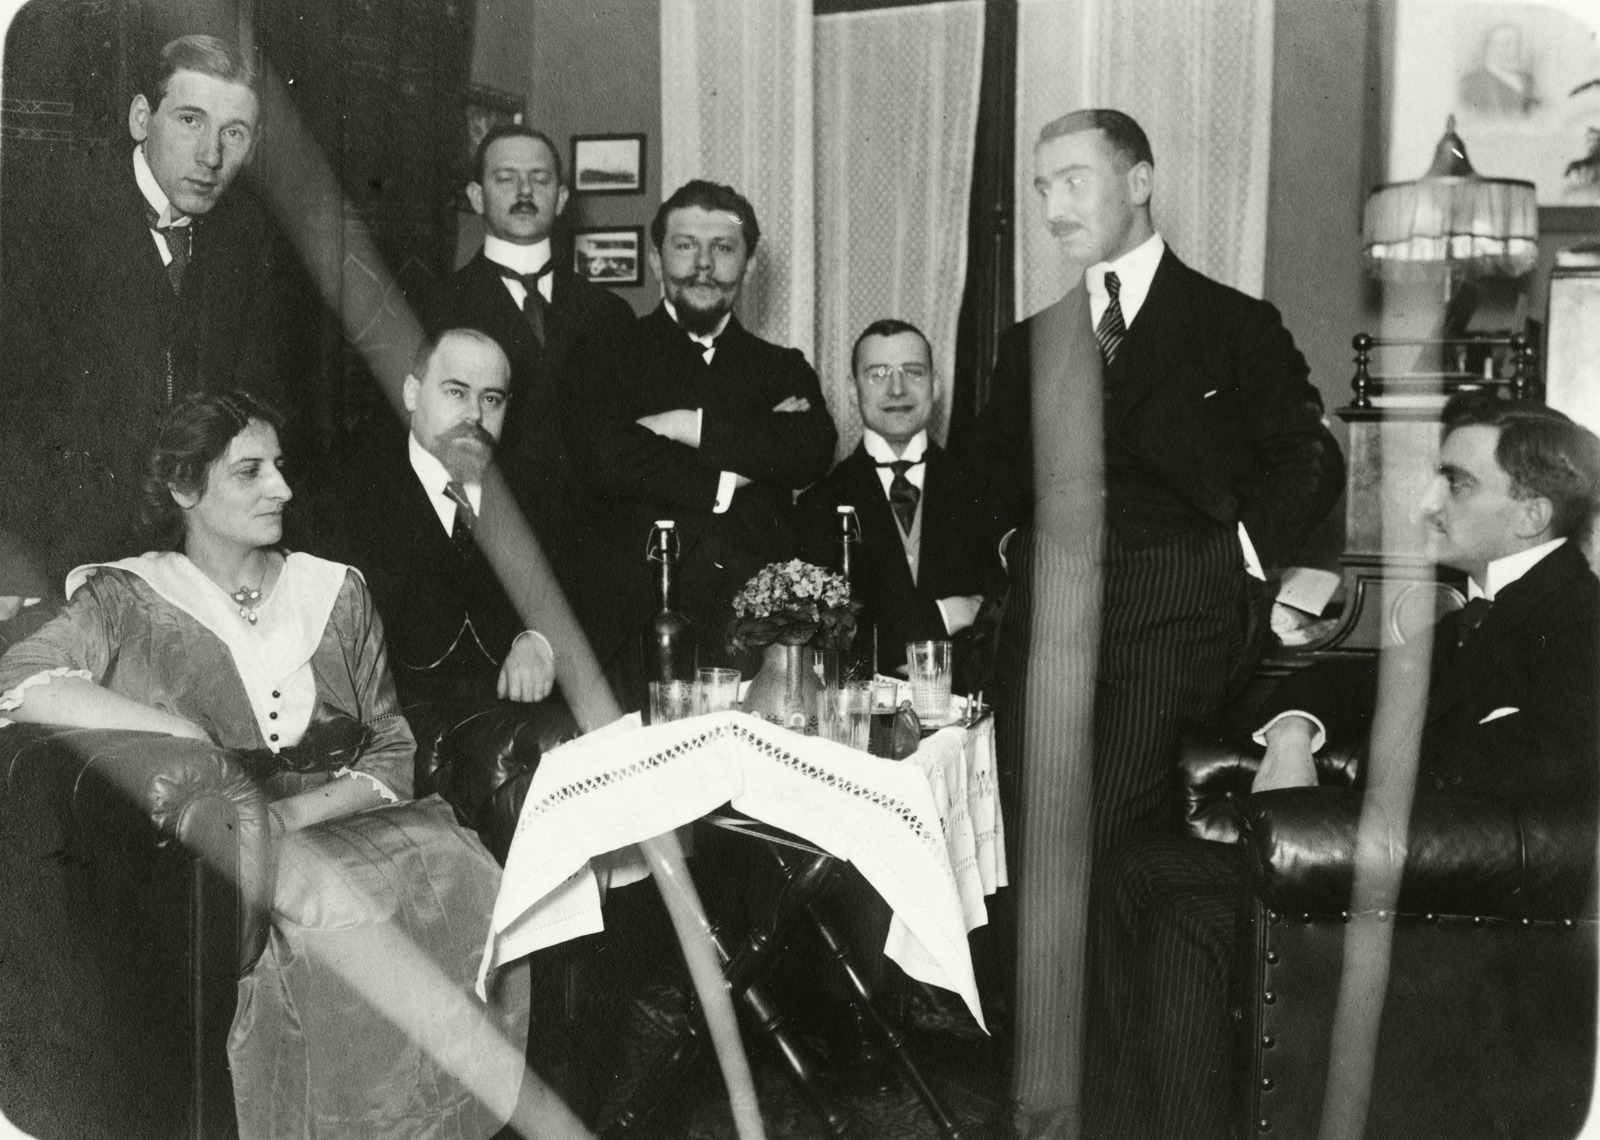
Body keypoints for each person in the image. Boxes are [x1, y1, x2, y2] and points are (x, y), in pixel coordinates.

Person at [0, 391, 533, 1140]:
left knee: (462, 873)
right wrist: (175, 728)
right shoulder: (125, 596)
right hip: (228, 861)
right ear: (185, 487)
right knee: (323, 928)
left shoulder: (335, 591)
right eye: (249, 472)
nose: (281, 487)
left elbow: (393, 747)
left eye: (279, 467)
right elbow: (21, 677)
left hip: (350, 825)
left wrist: (289, 813)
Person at [1082, 394, 1600, 1139]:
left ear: (1532, 515)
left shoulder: (1580, 624)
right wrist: (1294, 732)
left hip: (1453, 908)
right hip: (1391, 866)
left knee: (1183, 913)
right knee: (1133, 871)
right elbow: (1345, 683)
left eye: (1457, 483)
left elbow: (1544, 772)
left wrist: (1346, 801)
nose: (1428, 502)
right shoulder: (1486, 611)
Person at [965, 108, 1344, 853]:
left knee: (1107, 840)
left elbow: (1311, 456)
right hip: (1046, 618)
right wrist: (1020, 551)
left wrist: (1235, 560)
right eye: (1043, 188)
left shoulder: (1234, 324)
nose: (1053, 209)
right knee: (1027, 845)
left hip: (1176, 615)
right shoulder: (1028, 343)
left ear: (1139, 182)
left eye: (1074, 182)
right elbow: (987, 479)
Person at [0, 34, 286, 596]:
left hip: (190, 558)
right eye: (189, 120)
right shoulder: (47, 214)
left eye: (234, 132)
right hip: (55, 555)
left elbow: (252, 404)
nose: (211, 156)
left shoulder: (248, 237)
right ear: (140, 118)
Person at [568, 179, 837, 689]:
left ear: (749, 266)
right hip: (637, 627)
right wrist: (741, 470)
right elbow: (608, 456)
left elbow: (811, 448)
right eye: (686, 245)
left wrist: (682, 426)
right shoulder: (607, 353)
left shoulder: (781, 366)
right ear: (656, 260)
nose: (704, 265)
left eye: (724, 248)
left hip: (756, 633)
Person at [297, 328, 557, 713]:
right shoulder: (344, 498)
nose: (475, 414)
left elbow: (579, 589)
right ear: (411, 394)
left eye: (491, 399)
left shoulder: (535, 489)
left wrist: (540, 640)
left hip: (522, 724)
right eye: (456, 392)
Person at [421, 124, 635, 572]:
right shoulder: (435, 307)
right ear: (476, 196)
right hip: (481, 557)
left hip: (595, 561)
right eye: (505, 178)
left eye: (540, 179)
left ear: (561, 198)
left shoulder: (609, 313)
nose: (524, 192)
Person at [797, 318, 996, 680]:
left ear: (936, 385)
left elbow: (1002, 629)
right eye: (878, 374)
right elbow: (831, 644)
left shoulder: (984, 490)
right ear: (852, 388)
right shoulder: (817, 505)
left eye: (913, 372)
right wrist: (950, 613)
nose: (897, 389)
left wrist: (894, 643)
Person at [1458, 24, 1539, 119]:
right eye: (1507, 45)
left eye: (1517, 45)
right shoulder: (1471, 83)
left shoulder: (1527, 79)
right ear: (1490, 49)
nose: (1514, 51)